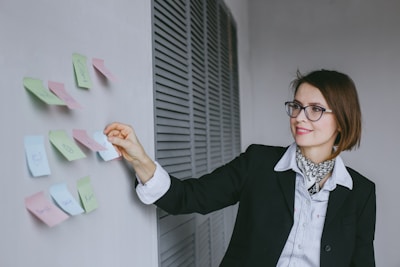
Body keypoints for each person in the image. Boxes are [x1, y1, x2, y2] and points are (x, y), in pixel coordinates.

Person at [103, 69, 376, 267]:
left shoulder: (361, 192)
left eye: (315, 109)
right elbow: (188, 196)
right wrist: (140, 158)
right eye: (296, 106)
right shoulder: (258, 163)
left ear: (341, 120)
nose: (299, 117)